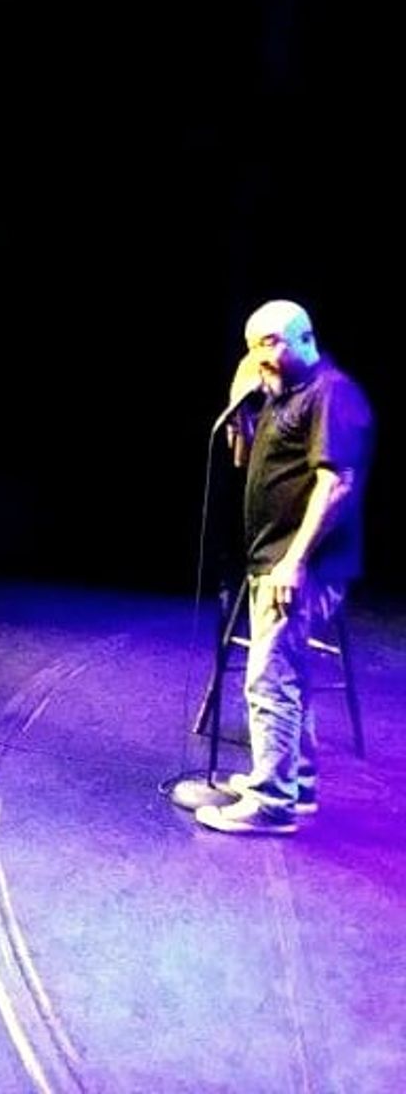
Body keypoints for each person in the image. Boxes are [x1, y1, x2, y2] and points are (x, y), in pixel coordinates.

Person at [196, 299, 374, 836]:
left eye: (271, 343)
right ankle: (295, 782)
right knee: (287, 674)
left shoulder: (330, 393)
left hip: (302, 566)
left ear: (304, 338)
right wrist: (242, 409)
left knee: (269, 680)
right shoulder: (281, 397)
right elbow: (244, 463)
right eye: (253, 346)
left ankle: (273, 803)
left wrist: (294, 562)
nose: (261, 356)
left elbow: (336, 481)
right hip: (271, 559)